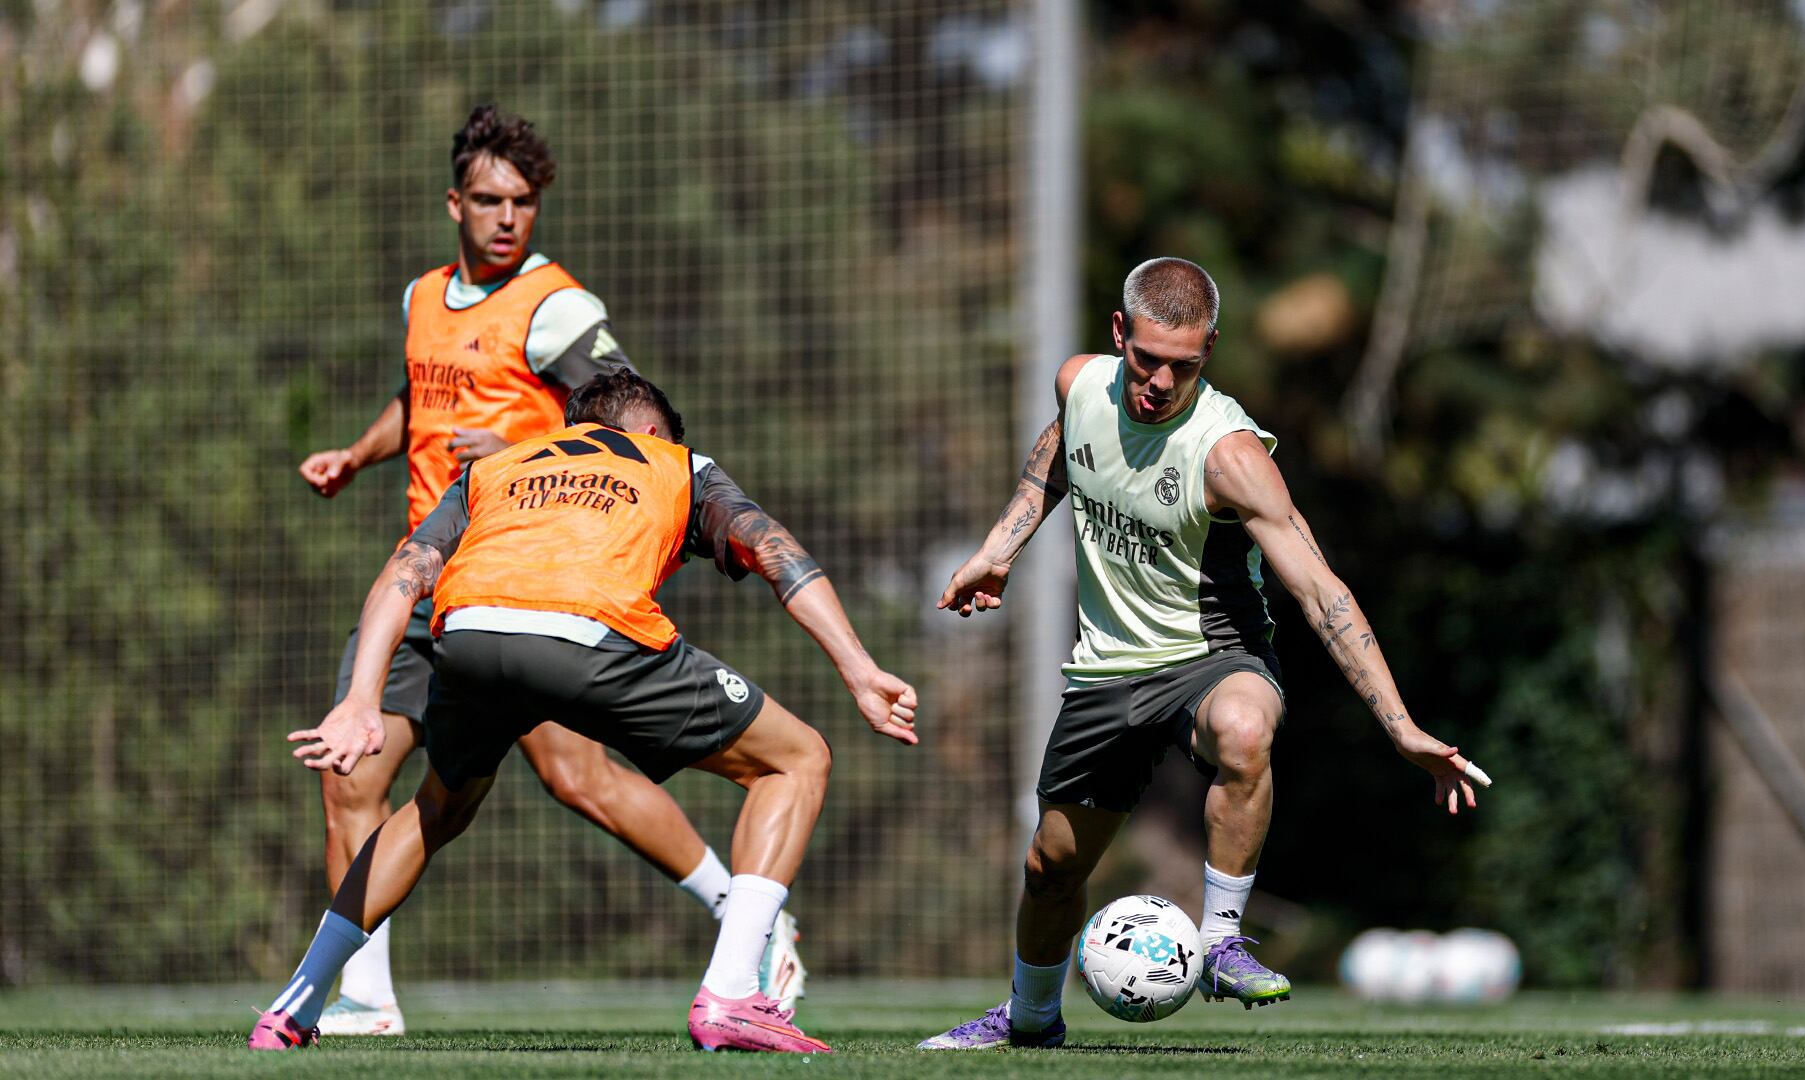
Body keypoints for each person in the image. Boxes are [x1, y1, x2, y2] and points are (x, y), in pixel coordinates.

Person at [294, 105, 803, 1036]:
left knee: (579, 780)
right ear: (455, 202)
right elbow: (419, 399)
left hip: (523, 573)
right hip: (428, 574)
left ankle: (748, 915)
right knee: (350, 778)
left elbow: (635, 427)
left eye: (522, 202)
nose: (505, 218)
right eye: (488, 199)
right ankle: (366, 1002)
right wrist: (358, 455)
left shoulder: (557, 306)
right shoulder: (422, 296)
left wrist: (525, 439)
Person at [251, 371, 918, 1054]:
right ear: (653, 433)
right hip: (590, 634)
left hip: (468, 633)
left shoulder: (497, 468)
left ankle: (291, 1008)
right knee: (797, 757)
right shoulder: (681, 466)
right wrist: (860, 670)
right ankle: (731, 994)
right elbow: (778, 554)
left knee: (433, 809)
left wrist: (361, 699)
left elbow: (409, 569)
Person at [919, 258, 1488, 1050]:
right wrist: (999, 548)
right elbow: (1058, 454)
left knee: (1246, 733)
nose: (1158, 381)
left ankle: (1219, 940)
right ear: (1119, 333)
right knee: (1051, 869)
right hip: (1108, 666)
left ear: (1209, 351)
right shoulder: (1080, 383)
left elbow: (1323, 593)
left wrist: (1400, 727)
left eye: (1183, 366)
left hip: (1211, 653)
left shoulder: (1230, 455)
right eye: (1146, 359)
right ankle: (1030, 1020)